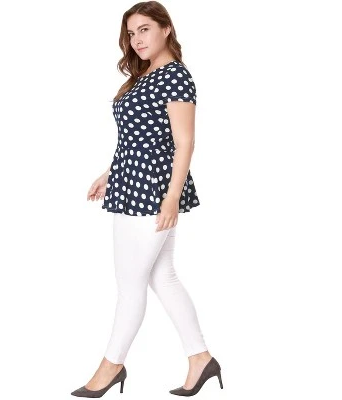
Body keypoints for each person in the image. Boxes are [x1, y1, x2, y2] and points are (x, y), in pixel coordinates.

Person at [71, 1, 223, 397]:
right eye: (131, 32)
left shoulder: (175, 77)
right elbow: (138, 137)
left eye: (144, 29)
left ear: (165, 29)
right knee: (162, 277)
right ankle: (201, 359)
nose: (137, 39)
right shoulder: (144, 75)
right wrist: (110, 173)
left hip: (152, 190)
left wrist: (171, 198)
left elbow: (184, 142)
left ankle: (111, 367)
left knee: (130, 285)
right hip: (130, 182)